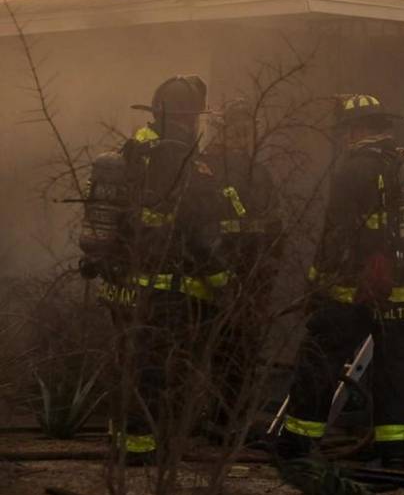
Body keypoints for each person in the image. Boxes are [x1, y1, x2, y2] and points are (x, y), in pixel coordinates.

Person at [277, 94, 404, 465]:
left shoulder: (353, 168)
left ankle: (298, 442)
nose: (345, 137)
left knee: (320, 354)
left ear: (359, 129)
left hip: (356, 288)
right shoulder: (403, 165)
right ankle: (394, 449)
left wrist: (317, 283)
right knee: (395, 368)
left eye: (348, 130)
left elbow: (337, 233)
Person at [80, 75, 225, 464]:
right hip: (162, 285)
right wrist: (219, 276)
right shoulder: (177, 155)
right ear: (188, 116)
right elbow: (195, 224)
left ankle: (122, 436)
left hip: (122, 281)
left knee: (127, 358)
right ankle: (142, 449)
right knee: (155, 368)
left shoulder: (133, 147)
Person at [203, 97, 282, 432]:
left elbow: (274, 227)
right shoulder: (241, 171)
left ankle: (218, 421)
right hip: (236, 277)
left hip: (223, 277)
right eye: (236, 131)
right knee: (232, 353)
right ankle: (224, 422)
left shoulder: (209, 168)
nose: (240, 138)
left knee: (223, 351)